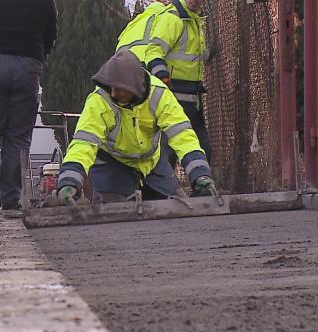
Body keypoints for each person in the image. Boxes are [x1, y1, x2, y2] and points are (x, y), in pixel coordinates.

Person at [56, 50, 215, 205]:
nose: (113, 93)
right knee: (112, 215)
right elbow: (84, 144)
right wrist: (69, 182)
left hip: (151, 162)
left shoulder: (159, 95)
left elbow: (182, 136)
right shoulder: (99, 101)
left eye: (118, 88)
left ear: (134, 86)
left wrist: (200, 174)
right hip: (112, 164)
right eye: (110, 87)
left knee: (181, 207)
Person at [0, 0, 57, 210]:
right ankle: (11, 198)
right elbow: (51, 33)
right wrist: (39, 55)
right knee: (18, 136)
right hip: (28, 66)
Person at [144, 0, 213, 164]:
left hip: (191, 97)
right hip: (173, 95)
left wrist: (207, 55)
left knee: (199, 148)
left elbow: (190, 54)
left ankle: (200, 178)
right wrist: (162, 75)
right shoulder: (173, 18)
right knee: (174, 149)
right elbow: (153, 51)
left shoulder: (193, 20)